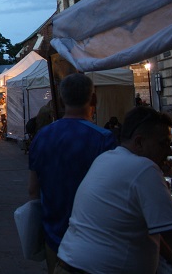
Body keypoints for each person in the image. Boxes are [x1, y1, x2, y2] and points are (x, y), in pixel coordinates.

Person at [57, 107, 172, 274]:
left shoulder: (105, 159)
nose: (169, 151)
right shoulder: (144, 168)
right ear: (139, 142)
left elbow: (158, 227)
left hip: (69, 263)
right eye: (163, 143)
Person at [28, 73, 117, 273]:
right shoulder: (104, 139)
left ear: (61, 100)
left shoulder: (42, 136)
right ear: (93, 99)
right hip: (94, 237)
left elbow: (33, 189)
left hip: (53, 232)